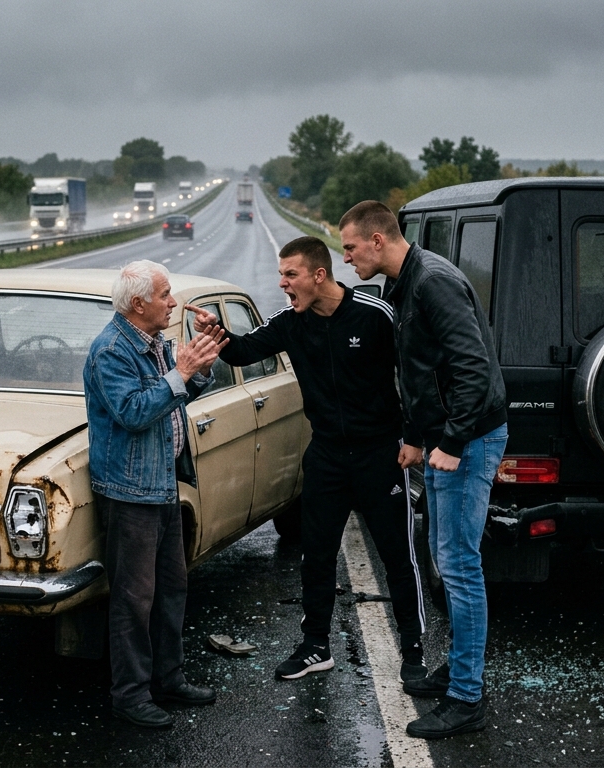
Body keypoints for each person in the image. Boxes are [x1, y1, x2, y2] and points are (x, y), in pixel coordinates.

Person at [187, 235, 427, 683]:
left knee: (398, 555)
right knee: (315, 554)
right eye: (280, 275)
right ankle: (316, 646)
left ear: (319, 275)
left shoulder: (375, 315)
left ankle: (413, 653)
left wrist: (413, 437)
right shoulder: (291, 322)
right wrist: (215, 332)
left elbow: (414, 373)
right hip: (327, 457)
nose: (282, 284)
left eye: (290, 274)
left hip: (381, 454)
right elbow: (242, 351)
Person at [340, 201, 508, 740]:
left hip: (469, 438)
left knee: (459, 566)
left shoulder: (432, 282)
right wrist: (415, 438)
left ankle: (467, 699)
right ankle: (459, 673)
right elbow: (419, 370)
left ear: (379, 240)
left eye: (350, 248)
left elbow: (473, 367)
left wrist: (454, 440)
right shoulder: (402, 282)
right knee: (447, 557)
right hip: (439, 439)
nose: (347, 260)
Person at [83, 260, 229, 729]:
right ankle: (130, 695)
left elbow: (179, 393)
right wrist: (180, 374)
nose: (173, 302)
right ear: (139, 303)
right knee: (133, 598)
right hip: (129, 492)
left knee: (172, 588)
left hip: (163, 483)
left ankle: (169, 679)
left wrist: (200, 362)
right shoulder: (111, 351)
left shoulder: (155, 343)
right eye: (166, 295)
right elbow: (132, 412)